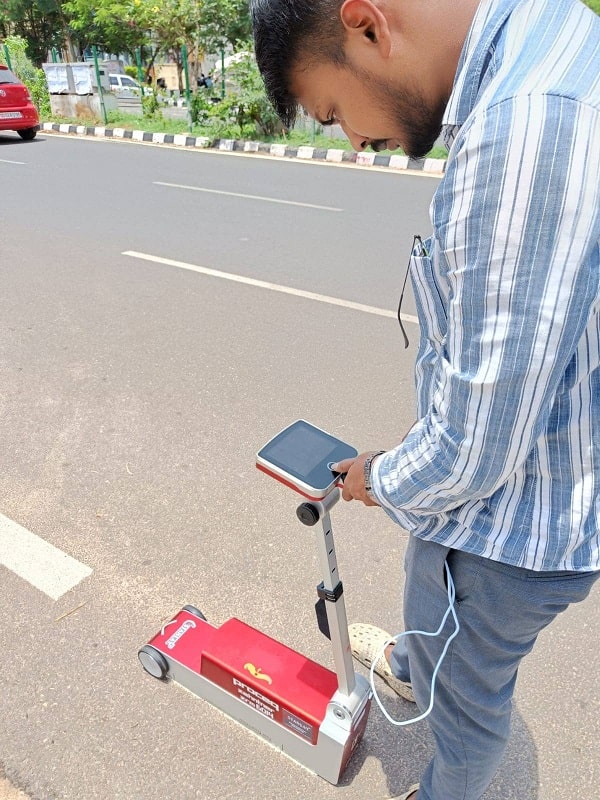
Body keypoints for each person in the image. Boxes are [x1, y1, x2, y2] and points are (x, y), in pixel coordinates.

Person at [250, 0, 600, 798]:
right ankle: (411, 665)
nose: (353, 139)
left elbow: (473, 452)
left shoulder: (529, 132)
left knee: (472, 707)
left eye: (335, 111)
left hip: (520, 528)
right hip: (520, 490)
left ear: (366, 24)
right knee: (428, 587)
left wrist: (378, 475)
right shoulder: (552, 33)